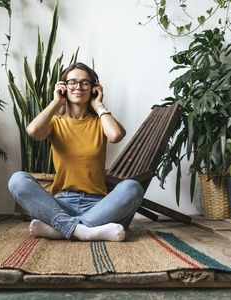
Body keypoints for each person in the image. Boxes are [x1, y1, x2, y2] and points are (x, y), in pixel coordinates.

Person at [8, 63, 144, 242]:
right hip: (61, 203)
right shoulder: (56, 123)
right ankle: (86, 232)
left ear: (94, 88)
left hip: (99, 205)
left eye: (84, 83)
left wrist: (99, 105)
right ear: (63, 87)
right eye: (72, 82)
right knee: (17, 180)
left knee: (132, 187)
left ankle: (60, 229)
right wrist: (56, 102)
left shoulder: (100, 122)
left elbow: (116, 135)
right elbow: (33, 131)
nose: (78, 87)